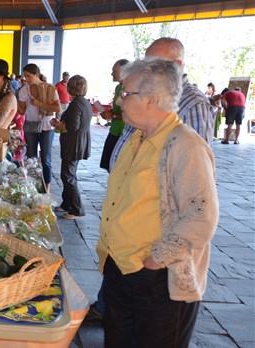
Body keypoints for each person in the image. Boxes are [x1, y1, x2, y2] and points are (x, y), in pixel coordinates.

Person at [97, 58, 218, 348]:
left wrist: (155, 261)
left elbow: (202, 217)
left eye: (125, 94)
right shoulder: (137, 137)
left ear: (152, 99)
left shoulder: (185, 144)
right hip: (121, 270)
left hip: (158, 277)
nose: (119, 100)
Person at [110, 37, 215, 170]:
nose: (145, 69)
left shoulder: (194, 104)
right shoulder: (147, 92)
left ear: (176, 65)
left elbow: (196, 169)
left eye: (152, 64)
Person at [50, 75, 91, 220]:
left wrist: (57, 124)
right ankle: (67, 203)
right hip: (78, 142)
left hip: (74, 144)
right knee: (66, 174)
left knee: (68, 176)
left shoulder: (75, 104)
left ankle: (76, 209)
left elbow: (72, 126)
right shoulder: (83, 102)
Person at [17, 63, 60, 191]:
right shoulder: (24, 90)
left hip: (46, 126)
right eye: (25, 76)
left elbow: (57, 107)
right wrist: (15, 103)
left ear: (36, 74)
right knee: (31, 157)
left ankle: (47, 187)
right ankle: (33, 186)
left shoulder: (50, 88)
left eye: (28, 76)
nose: (26, 79)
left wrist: (39, 103)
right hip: (30, 125)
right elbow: (21, 111)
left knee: (46, 158)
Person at [99, 59, 129, 172]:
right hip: (114, 131)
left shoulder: (131, 89)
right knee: (109, 165)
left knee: (118, 168)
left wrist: (114, 116)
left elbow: (131, 113)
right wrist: (109, 113)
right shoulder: (118, 88)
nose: (112, 73)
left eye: (114, 71)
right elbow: (118, 108)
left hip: (123, 133)